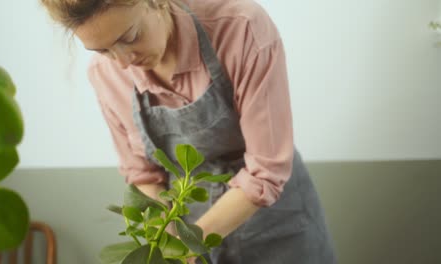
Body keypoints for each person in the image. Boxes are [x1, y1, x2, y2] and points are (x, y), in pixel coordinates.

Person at [41, 0, 337, 263]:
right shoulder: (104, 75)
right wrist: (165, 245)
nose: (122, 61)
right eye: (103, 50)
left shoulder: (241, 28)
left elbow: (266, 171)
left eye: (130, 37)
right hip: (187, 226)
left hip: (276, 226)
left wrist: (186, 245)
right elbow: (144, 175)